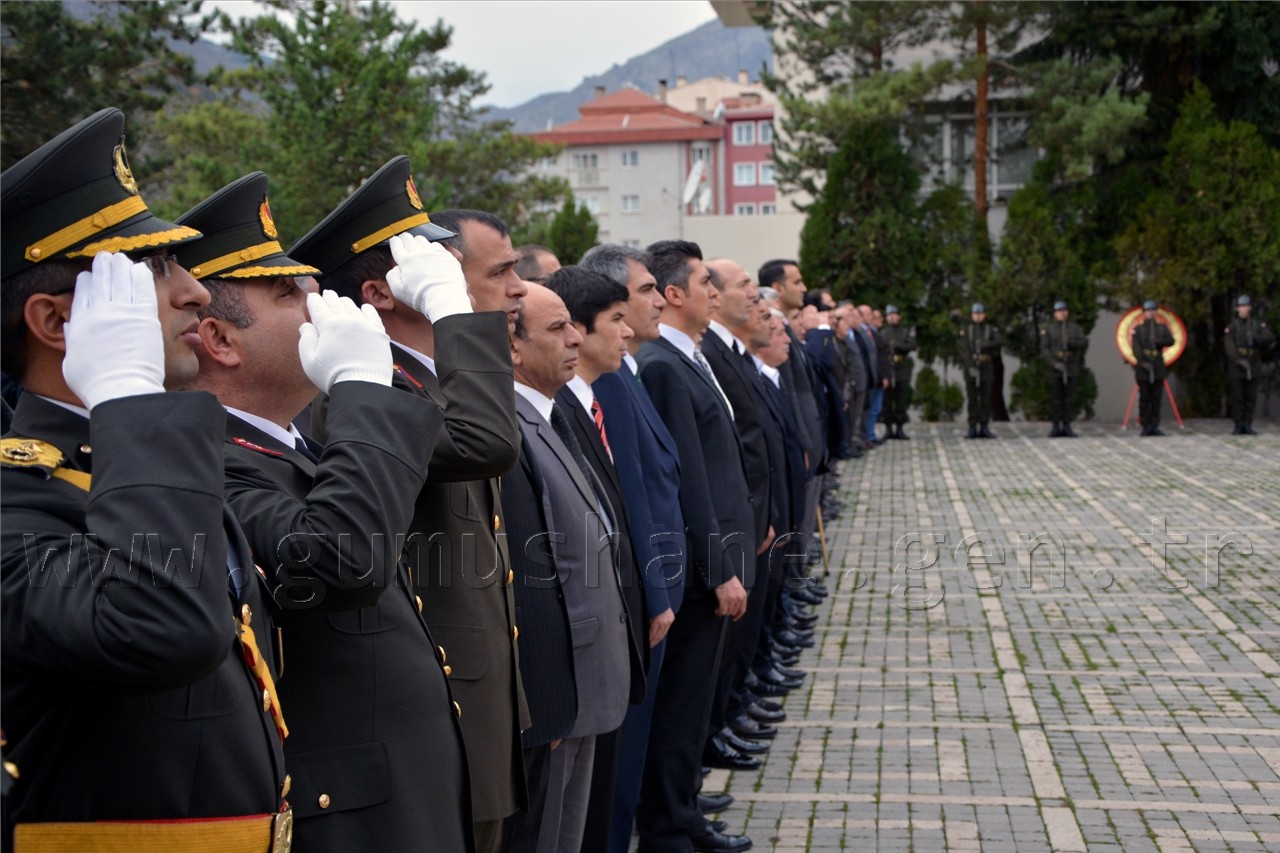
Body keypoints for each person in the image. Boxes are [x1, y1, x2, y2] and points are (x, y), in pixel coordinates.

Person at [1, 109, 289, 850]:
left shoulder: (138, 466)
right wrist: (126, 395)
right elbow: (161, 624)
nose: (196, 292)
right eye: (150, 273)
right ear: (57, 322)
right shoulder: (16, 501)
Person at [179, 172, 475, 852]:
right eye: (290, 291)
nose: (320, 301)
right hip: (343, 822)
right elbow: (341, 561)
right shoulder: (213, 464)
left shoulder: (289, 445)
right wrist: (364, 389)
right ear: (220, 340)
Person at [291, 160, 528, 853]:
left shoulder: (423, 378)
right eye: (437, 269)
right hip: (432, 711)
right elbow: (485, 439)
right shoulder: (363, 391)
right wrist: (455, 310)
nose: (455, 279)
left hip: (474, 700)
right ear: (380, 292)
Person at [508, 282, 638, 853]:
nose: (576, 338)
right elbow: (525, 573)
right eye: (558, 328)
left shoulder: (551, 413)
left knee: (569, 833)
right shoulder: (510, 427)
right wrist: (543, 697)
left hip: (585, 677)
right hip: (558, 688)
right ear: (513, 348)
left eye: (574, 326)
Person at [635, 240, 753, 853]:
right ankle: (671, 826)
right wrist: (718, 568)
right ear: (675, 292)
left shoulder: (687, 358)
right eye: (705, 280)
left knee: (692, 703)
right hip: (703, 572)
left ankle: (682, 809)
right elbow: (686, 483)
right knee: (679, 710)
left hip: (723, 561)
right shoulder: (661, 365)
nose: (715, 291)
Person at [579, 244, 688, 853]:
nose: (656, 300)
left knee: (634, 755)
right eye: (645, 290)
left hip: (658, 590)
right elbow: (632, 498)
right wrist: (654, 591)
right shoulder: (612, 382)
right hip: (646, 596)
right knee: (617, 773)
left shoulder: (631, 371)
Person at [1224, 295, 1274, 435]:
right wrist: (1238, 360)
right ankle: (1238, 424)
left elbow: (1269, 338)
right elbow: (1229, 345)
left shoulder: (1256, 324)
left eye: (1246, 306)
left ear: (1250, 308)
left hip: (1253, 361)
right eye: (1242, 306)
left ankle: (1248, 424)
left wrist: (1255, 338)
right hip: (1238, 363)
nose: (1244, 309)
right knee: (1238, 396)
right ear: (1237, 309)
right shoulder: (1233, 326)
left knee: (1251, 396)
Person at [1040, 300, 1089, 438]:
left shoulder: (1074, 328)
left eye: (1064, 311)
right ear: (1055, 314)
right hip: (1056, 366)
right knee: (1056, 398)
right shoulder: (1048, 328)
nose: (1062, 314)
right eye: (1059, 311)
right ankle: (1056, 426)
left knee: (1069, 398)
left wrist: (1072, 343)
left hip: (1070, 365)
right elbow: (1044, 349)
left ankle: (1067, 425)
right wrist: (1054, 363)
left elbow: (1084, 342)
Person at [957, 303, 1003, 439]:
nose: (978, 316)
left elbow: (999, 341)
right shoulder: (966, 330)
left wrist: (985, 345)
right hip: (971, 366)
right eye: (975, 314)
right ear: (972, 315)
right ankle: (972, 426)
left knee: (985, 397)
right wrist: (970, 366)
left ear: (984, 315)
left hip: (985, 365)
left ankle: (984, 426)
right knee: (972, 398)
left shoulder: (990, 329)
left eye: (980, 314)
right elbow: (964, 350)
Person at [1130, 299, 1174, 437]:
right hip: (1144, 364)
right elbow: (1136, 348)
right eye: (1148, 310)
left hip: (1157, 363)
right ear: (1144, 313)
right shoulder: (1138, 330)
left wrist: (1159, 342)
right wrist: (1142, 363)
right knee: (1145, 398)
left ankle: (1155, 425)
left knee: (1156, 397)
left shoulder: (1161, 327)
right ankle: (1145, 424)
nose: (1151, 313)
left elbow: (1171, 341)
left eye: (1153, 310)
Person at [880, 305, 917, 439]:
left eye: (895, 314)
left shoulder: (905, 331)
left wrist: (898, 346)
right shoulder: (883, 332)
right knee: (887, 400)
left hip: (902, 366)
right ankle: (888, 428)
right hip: (888, 367)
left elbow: (912, 345)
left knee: (901, 399)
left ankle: (900, 427)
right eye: (890, 315)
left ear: (899, 316)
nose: (892, 317)